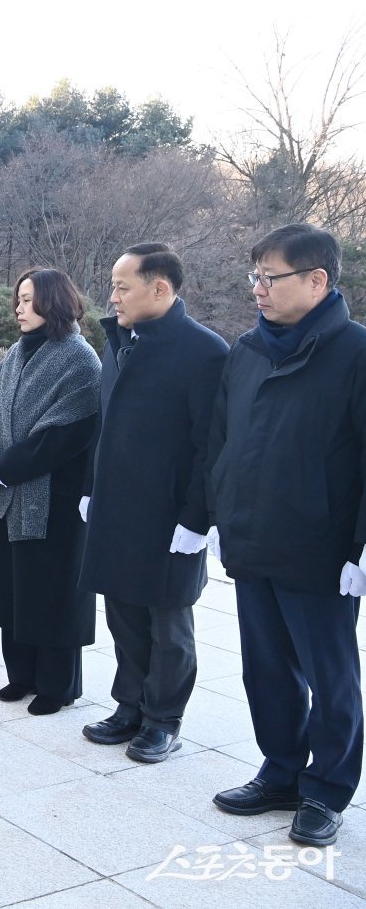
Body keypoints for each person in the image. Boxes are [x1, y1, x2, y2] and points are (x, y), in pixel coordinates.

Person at [206, 224, 366, 848]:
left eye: (270, 278)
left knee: (330, 677)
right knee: (265, 670)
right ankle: (280, 771)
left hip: (321, 549)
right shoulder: (248, 350)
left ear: (317, 280)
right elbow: (222, 440)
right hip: (253, 538)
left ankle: (326, 789)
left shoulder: (355, 353)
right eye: (256, 277)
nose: (258, 289)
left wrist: (360, 548)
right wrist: (219, 512)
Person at [79, 243, 228, 763]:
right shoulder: (120, 341)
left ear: (159, 288)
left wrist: (196, 519)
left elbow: (210, 445)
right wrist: (91, 487)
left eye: (123, 287)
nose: (113, 297)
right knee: (123, 613)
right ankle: (130, 706)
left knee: (168, 624)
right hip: (117, 505)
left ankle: (164, 719)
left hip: (168, 514)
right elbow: (104, 424)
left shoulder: (204, 352)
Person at [0, 269, 101, 716]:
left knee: (51, 593)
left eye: (29, 300)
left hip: (53, 499)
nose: (19, 308)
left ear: (54, 302)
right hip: (5, 494)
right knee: (13, 588)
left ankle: (57, 685)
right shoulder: (14, 354)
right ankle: (22, 674)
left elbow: (63, 435)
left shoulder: (80, 360)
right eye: (18, 299)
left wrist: (3, 468)